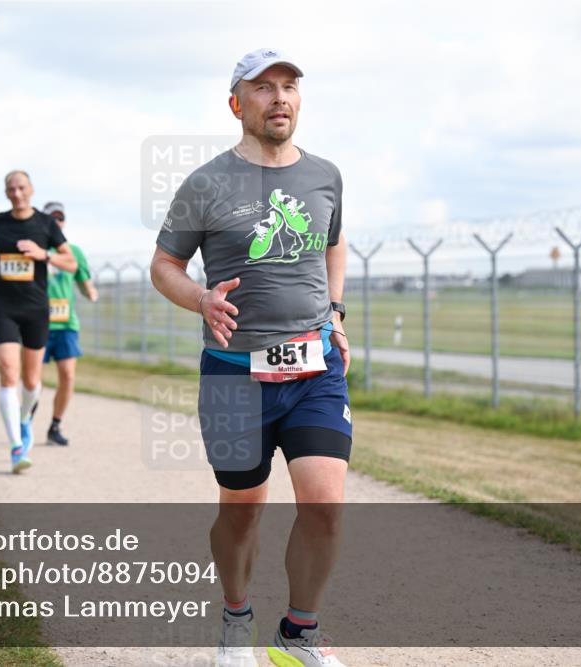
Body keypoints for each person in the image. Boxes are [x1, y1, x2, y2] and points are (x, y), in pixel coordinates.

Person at [150, 49, 352, 667]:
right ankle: (236, 618)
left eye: (289, 86)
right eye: (263, 88)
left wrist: (336, 312)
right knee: (242, 509)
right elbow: (164, 266)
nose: (280, 97)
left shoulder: (325, 176)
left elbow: (334, 245)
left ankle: (299, 635)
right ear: (237, 103)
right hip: (236, 374)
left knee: (324, 503)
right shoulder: (206, 183)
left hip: (315, 369)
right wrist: (201, 299)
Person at [0, 170, 77, 473]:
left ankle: (24, 419)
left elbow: (70, 262)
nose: (17, 193)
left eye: (21, 187)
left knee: (32, 381)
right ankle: (17, 447)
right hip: (3, 306)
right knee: (9, 372)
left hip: (35, 308)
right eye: (11, 189)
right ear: (6, 192)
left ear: (31, 189)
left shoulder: (45, 225)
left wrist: (43, 254)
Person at [40, 201, 98, 446]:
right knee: (32, 379)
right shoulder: (35, 250)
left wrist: (91, 293)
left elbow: (84, 283)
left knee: (68, 376)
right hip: (38, 323)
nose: (56, 223)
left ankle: (55, 424)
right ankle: (24, 421)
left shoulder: (74, 252)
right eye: (51, 218)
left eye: (60, 218)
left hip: (66, 324)